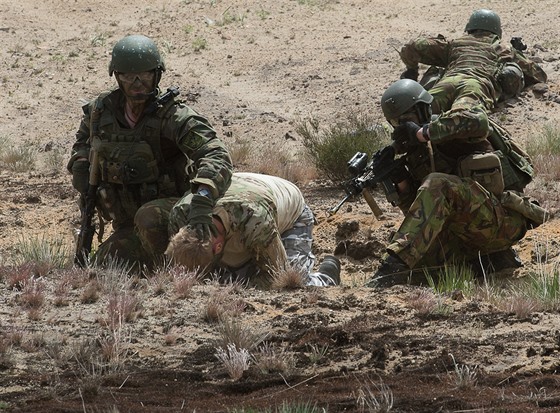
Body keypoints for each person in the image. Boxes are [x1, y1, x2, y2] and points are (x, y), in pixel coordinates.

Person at [67, 34, 233, 271]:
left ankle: (176, 270)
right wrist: (80, 163)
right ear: (117, 76)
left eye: (144, 75)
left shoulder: (173, 116)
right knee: (106, 266)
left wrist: (203, 199)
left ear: (156, 74)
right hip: (127, 222)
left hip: (171, 217)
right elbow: (82, 142)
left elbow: (216, 155)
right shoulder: (99, 113)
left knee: (147, 217)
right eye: (128, 76)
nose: (137, 83)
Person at [366, 79, 550, 288]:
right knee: (415, 272)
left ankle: (390, 270)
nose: (403, 127)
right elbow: (422, 217)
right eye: (397, 123)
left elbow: (479, 121)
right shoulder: (416, 154)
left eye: (408, 119)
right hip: (465, 234)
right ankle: (487, 263)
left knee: (437, 183)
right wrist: (400, 179)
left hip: (502, 221)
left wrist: (422, 133)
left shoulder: (449, 125)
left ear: (423, 109)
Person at [163, 172, 341, 289]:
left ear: (217, 248)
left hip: (290, 214)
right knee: (224, 280)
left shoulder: (255, 221)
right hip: (247, 195)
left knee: (292, 284)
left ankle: (326, 277)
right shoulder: (180, 215)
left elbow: (277, 274)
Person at [399, 9, 547, 115]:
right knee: (463, 117)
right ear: (497, 30)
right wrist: (518, 54)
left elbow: (411, 47)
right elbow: (539, 75)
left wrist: (411, 72)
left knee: (421, 114)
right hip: (476, 85)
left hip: (448, 82)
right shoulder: (503, 48)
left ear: (470, 27)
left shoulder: (455, 43)